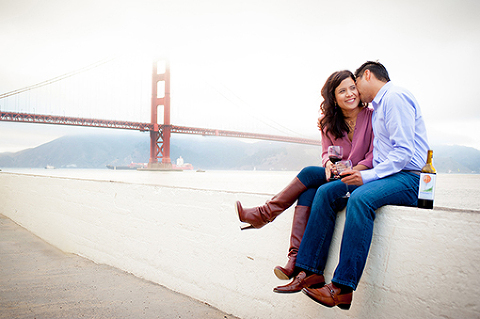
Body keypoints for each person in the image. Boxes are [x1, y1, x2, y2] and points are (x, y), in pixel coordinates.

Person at [285, 61, 430, 310]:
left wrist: (367, 176)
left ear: (367, 75)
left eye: (356, 84)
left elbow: (404, 153)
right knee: (326, 191)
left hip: (411, 178)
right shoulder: (381, 105)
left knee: (361, 198)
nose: (355, 92)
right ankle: (310, 270)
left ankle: (342, 288)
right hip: (390, 175)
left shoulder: (394, 97)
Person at [235, 70, 374, 281]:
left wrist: (354, 170)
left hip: (362, 179)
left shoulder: (373, 116)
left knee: (308, 175)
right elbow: (327, 154)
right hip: (338, 178)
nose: (350, 94)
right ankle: (294, 259)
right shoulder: (328, 123)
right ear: (334, 98)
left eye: (352, 88)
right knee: (309, 188)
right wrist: (328, 164)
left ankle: (266, 217)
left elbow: (375, 155)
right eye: (342, 91)